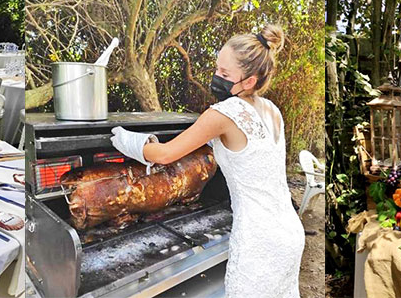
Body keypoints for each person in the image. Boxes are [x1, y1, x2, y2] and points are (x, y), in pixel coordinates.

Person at [109, 24, 304, 297]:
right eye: (216, 69)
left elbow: (164, 155)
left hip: (259, 239)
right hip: (290, 232)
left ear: (249, 81)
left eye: (224, 74)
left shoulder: (223, 113)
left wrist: (126, 140)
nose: (216, 77)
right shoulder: (272, 110)